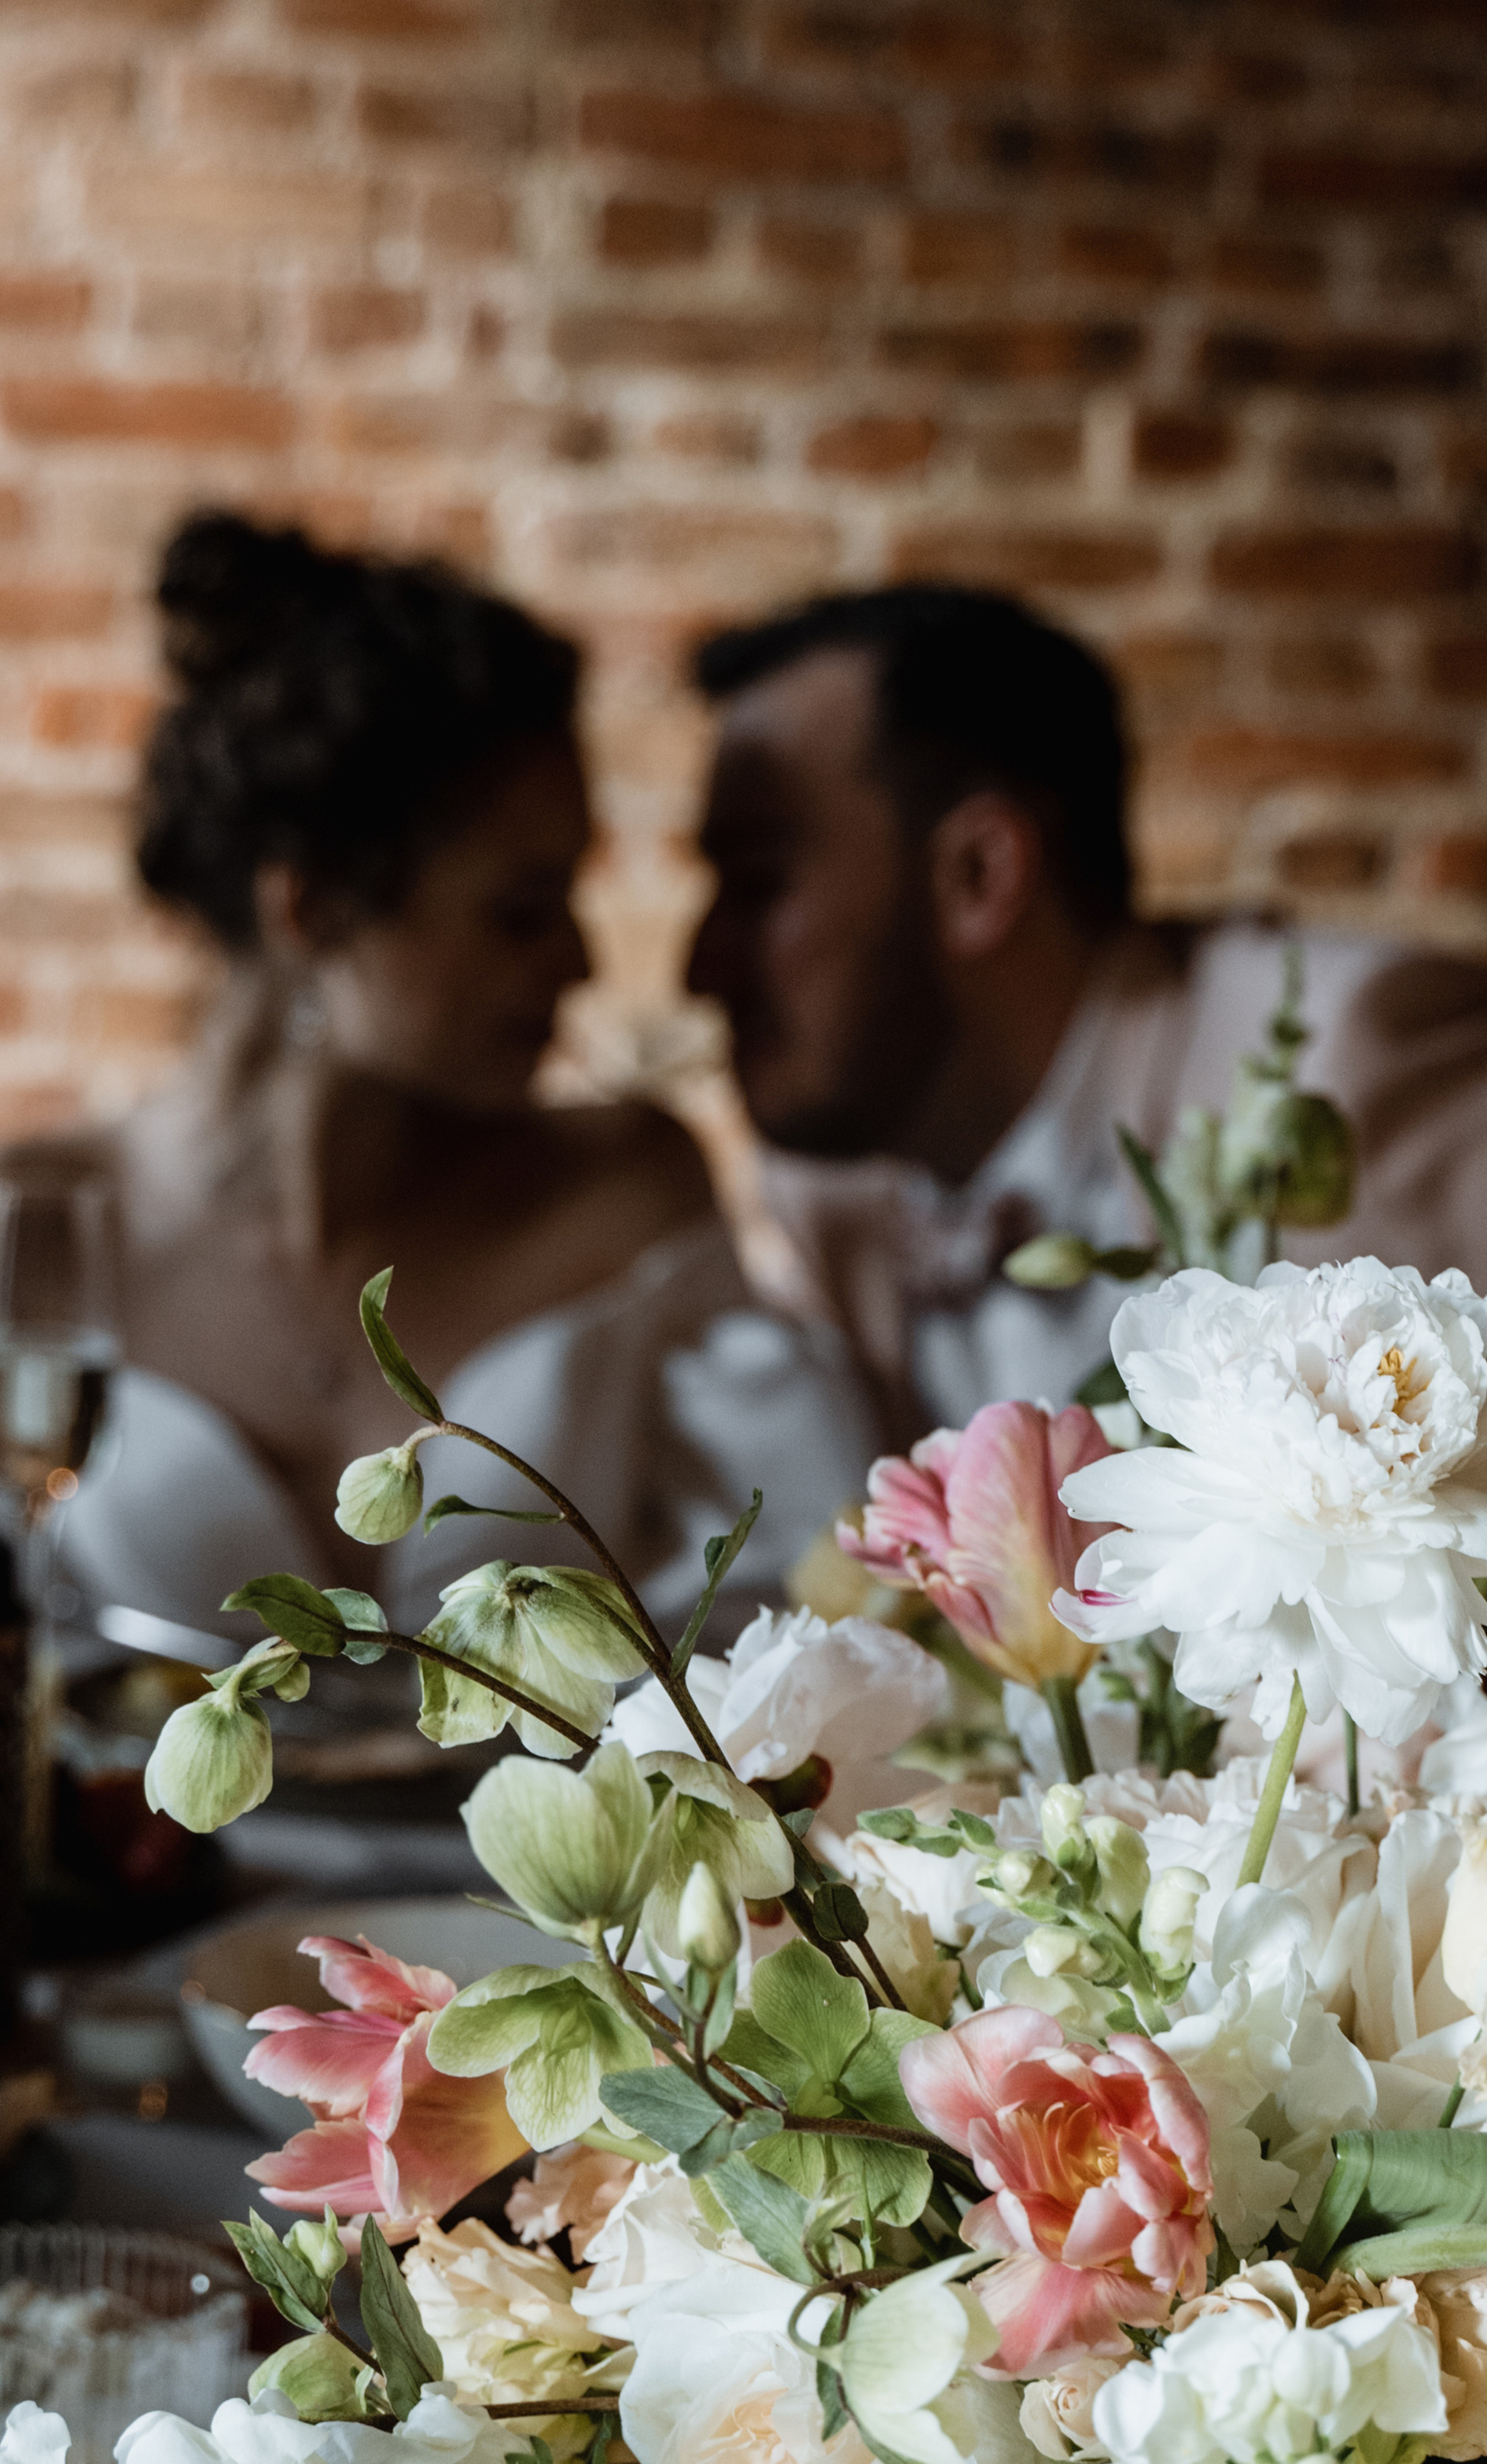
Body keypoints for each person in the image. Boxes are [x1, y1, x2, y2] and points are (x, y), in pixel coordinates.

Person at [688, 582, 1487, 1739]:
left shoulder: (1354, 1068)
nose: (701, 963)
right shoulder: (838, 1191)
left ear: (981, 874)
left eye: (755, 883)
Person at [40, 513, 872, 1650]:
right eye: (521, 913)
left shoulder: (628, 1191)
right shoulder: (40, 1228)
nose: (581, 962)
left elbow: (815, 1600)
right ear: (313, 911)